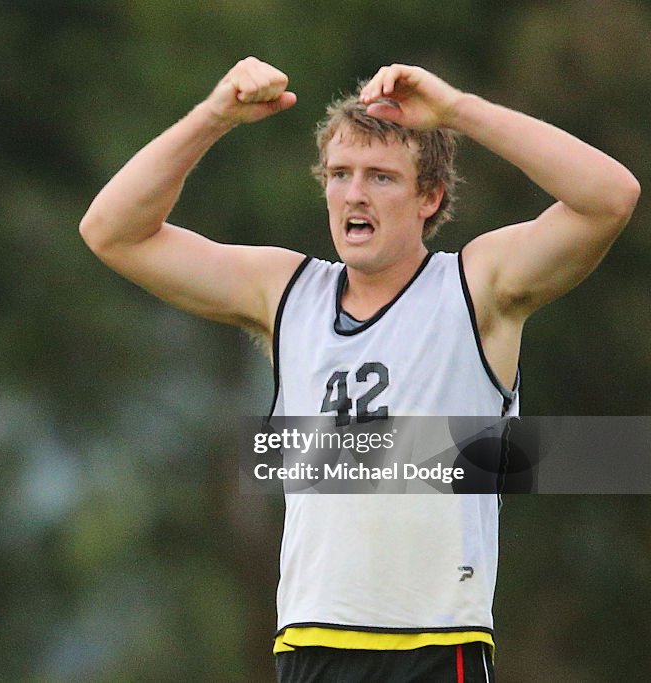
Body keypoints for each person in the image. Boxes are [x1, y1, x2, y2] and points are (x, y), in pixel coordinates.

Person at [79, 58, 639, 682]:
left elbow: (609, 197)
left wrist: (457, 110)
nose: (355, 194)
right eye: (340, 174)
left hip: (434, 645)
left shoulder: (476, 287)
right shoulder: (286, 292)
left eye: (381, 176)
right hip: (309, 644)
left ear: (431, 198)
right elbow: (112, 231)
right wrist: (215, 115)